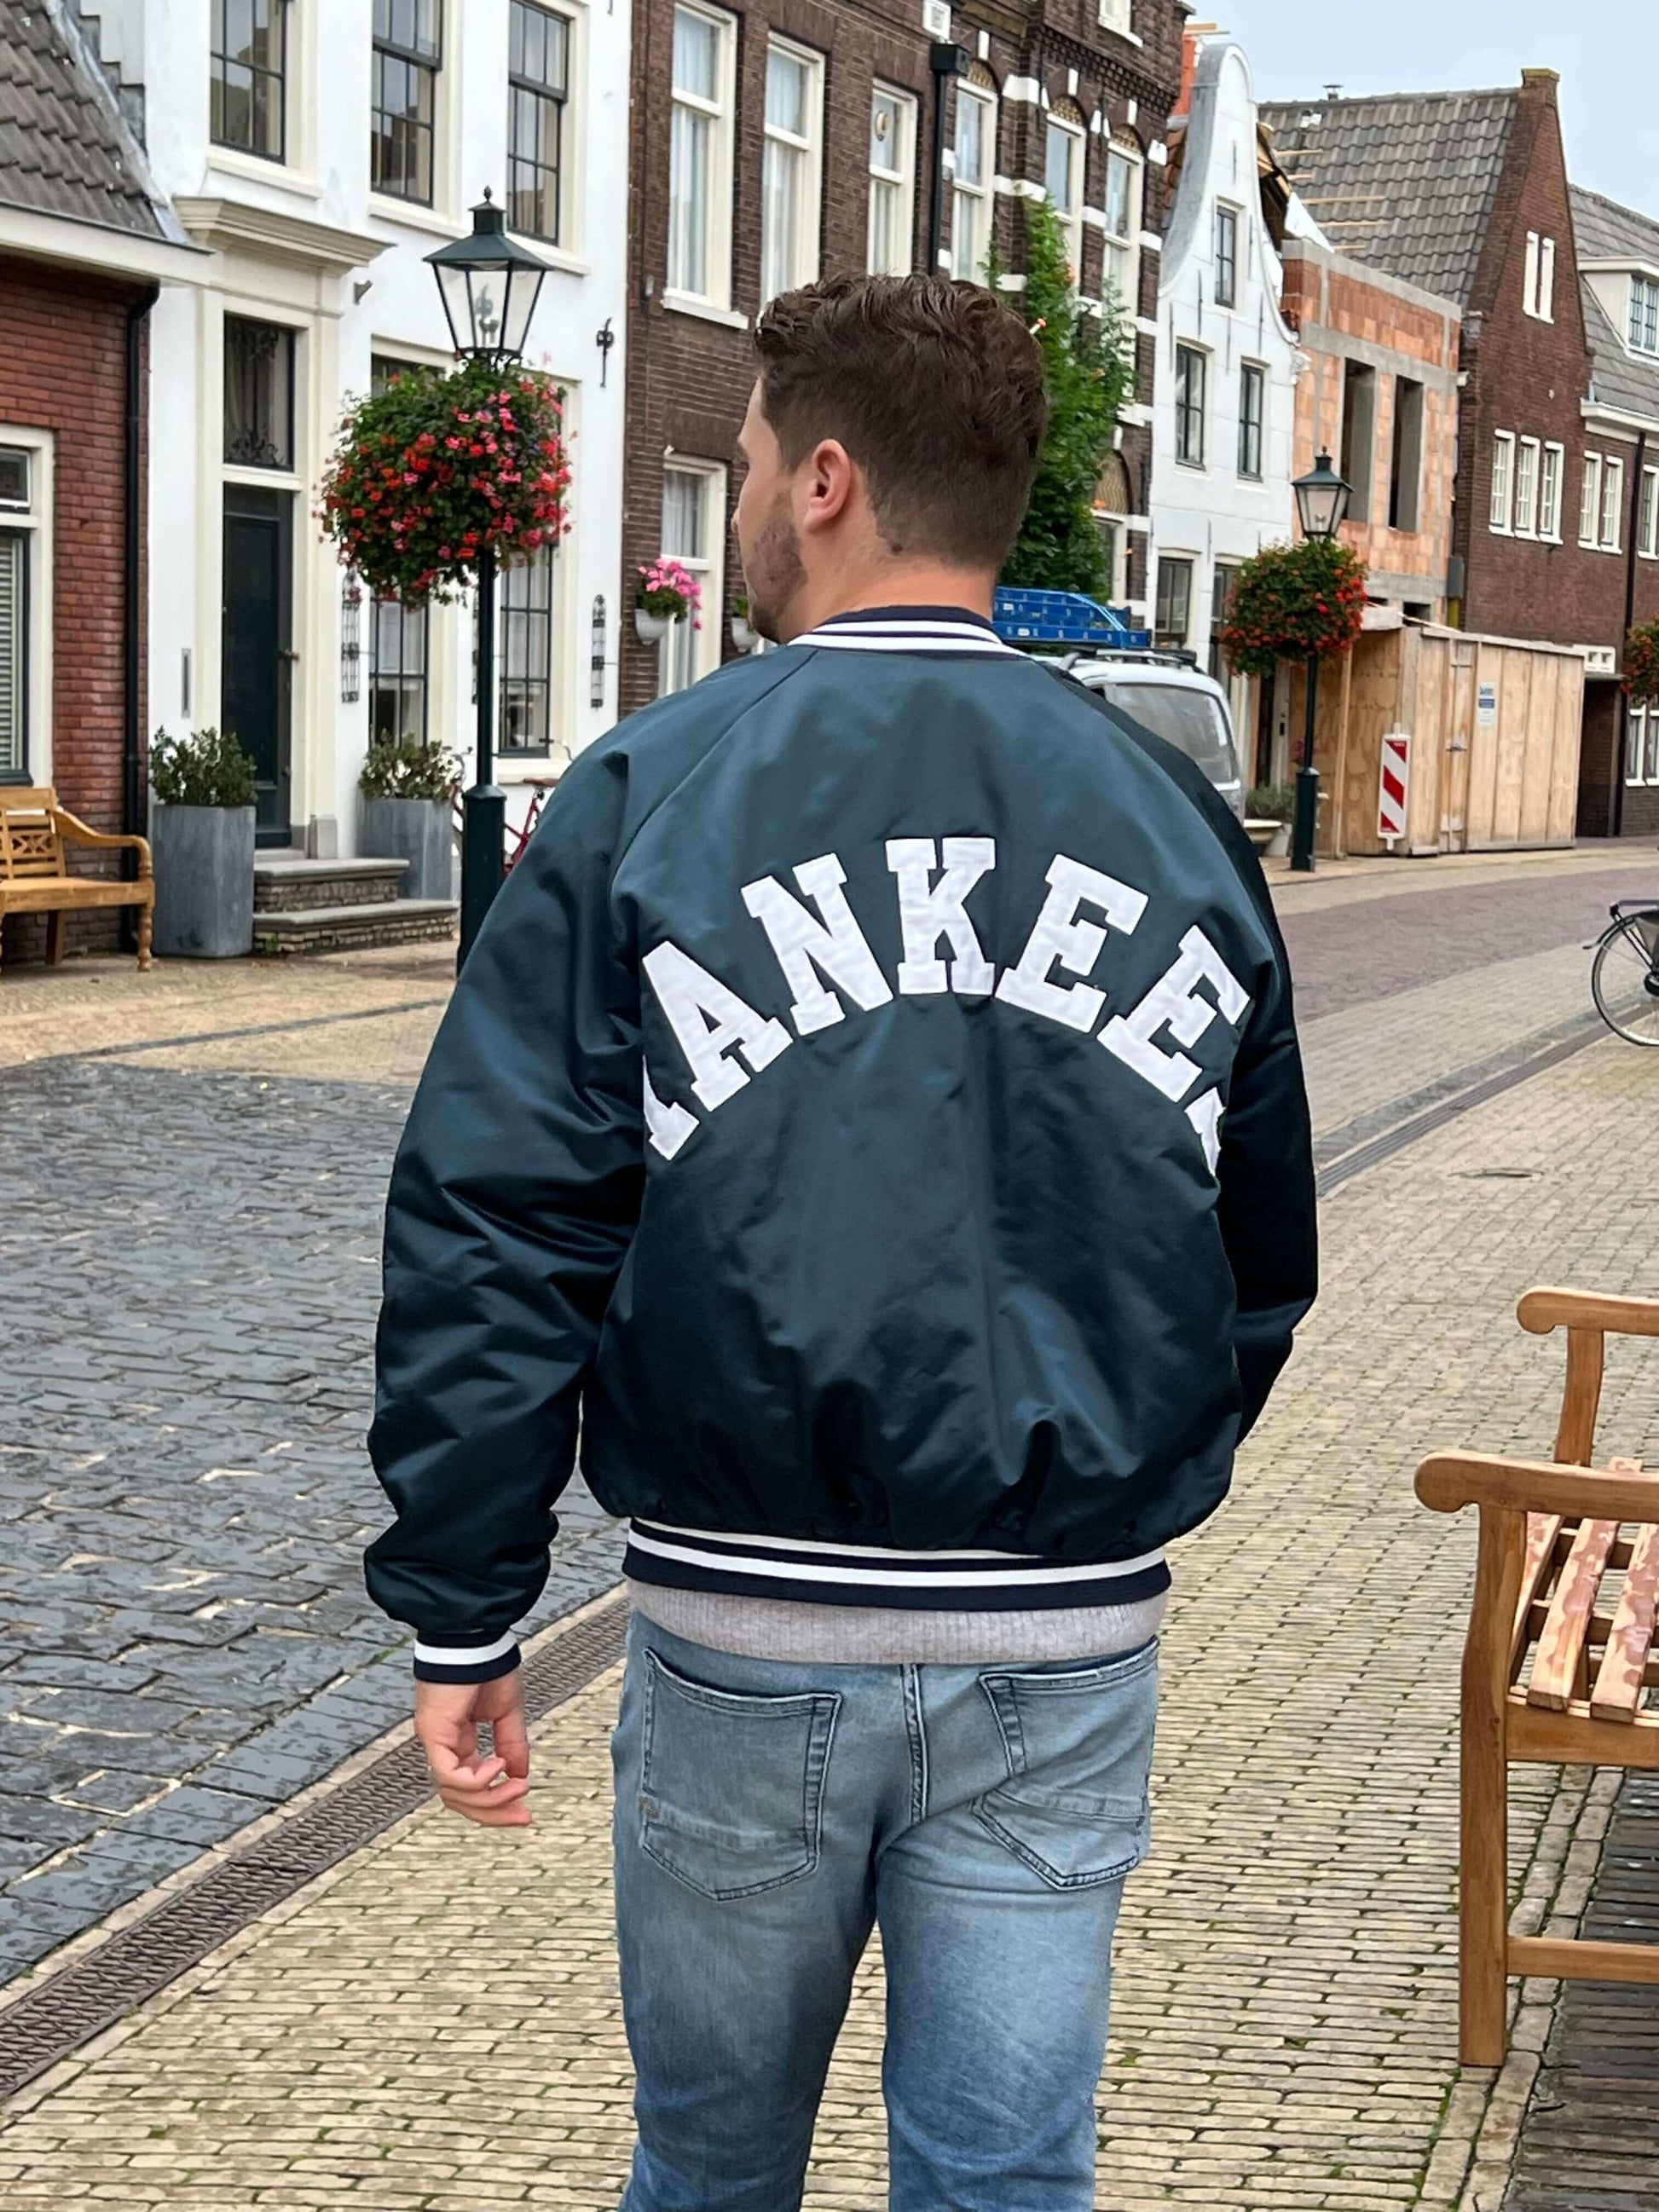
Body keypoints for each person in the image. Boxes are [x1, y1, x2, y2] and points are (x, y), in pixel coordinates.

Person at [366, 273, 1316, 2212]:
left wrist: (465, 1602)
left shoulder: (648, 790)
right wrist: (1122, 1473)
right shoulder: (1172, 818)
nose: (725, 518)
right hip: (1063, 1627)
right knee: (999, 2180)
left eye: (732, 471)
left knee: (711, 2173)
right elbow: (1256, 1243)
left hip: (744, 1627)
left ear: (820, 479)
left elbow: (499, 1213)